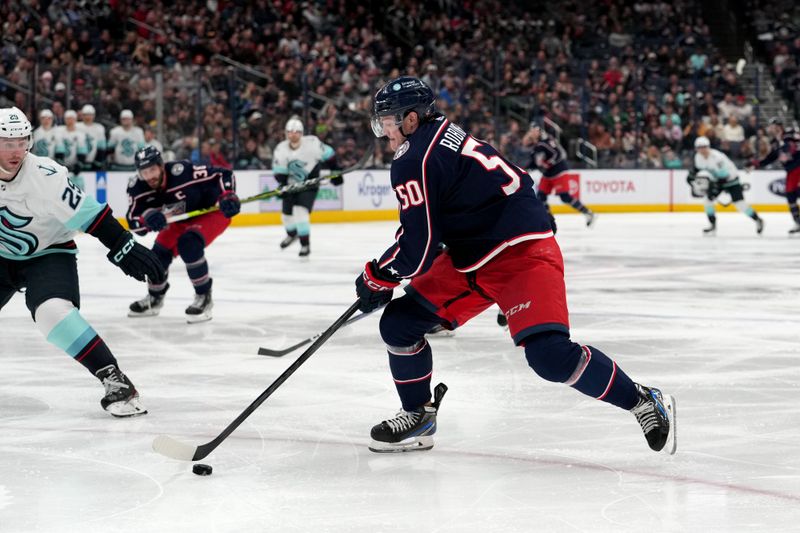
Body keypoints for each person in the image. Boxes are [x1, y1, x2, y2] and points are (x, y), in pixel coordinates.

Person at [355, 77, 676, 455]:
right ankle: (418, 415)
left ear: (410, 120)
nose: (384, 132)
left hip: (521, 254)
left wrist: (377, 276)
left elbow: (419, 246)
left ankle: (641, 399)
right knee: (399, 324)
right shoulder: (441, 132)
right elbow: (434, 219)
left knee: (550, 357)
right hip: (474, 253)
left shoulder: (413, 157)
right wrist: (394, 269)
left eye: (387, 122)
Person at [0, 107, 165, 417]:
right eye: (8, 143)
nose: (17, 151)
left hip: (49, 252)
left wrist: (122, 245)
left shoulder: (46, 176)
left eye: (22, 141)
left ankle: (114, 379)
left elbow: (92, 215)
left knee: (51, 312)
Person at [125, 146, 240, 323]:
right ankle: (155, 298)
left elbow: (223, 174)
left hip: (210, 212)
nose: (150, 177)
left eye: (153, 170)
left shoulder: (183, 172)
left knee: (190, 244)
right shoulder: (137, 188)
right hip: (178, 219)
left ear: (161, 166)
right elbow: (133, 220)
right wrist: (147, 218)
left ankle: (204, 297)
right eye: (144, 172)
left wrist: (228, 194)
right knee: (157, 255)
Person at [272, 117, 341, 258]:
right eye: (290, 132)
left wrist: (335, 171)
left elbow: (330, 155)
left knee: (300, 212)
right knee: (286, 217)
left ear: (302, 133)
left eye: (297, 132)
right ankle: (292, 235)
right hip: (292, 185)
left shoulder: (312, 143)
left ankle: (305, 245)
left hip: (309, 184)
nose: (293, 134)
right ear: (286, 133)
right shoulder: (281, 149)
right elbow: (280, 173)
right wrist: (283, 186)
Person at [525, 123, 596, 227]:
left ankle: (588, 213)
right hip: (548, 173)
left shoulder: (544, 142)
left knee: (564, 196)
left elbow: (557, 153)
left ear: (539, 131)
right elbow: (534, 162)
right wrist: (524, 169)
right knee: (541, 196)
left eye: (533, 130)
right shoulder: (536, 146)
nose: (531, 133)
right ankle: (547, 220)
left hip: (559, 171)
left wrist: (548, 163)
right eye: (531, 130)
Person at [691, 136, 763, 235]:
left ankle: (758, 220)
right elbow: (698, 169)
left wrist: (714, 184)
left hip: (731, 180)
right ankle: (712, 225)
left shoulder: (717, 157)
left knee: (739, 204)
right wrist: (691, 176)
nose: (702, 150)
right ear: (696, 148)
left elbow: (725, 174)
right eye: (699, 147)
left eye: (704, 147)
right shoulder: (698, 157)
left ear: (708, 147)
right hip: (718, 181)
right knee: (708, 202)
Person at [750, 120, 800, 234]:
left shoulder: (790, 135)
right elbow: (771, 157)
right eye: (772, 127)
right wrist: (756, 164)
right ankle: (798, 221)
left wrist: (787, 145)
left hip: (798, 167)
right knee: (790, 195)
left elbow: (791, 147)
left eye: (775, 126)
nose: (773, 129)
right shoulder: (775, 142)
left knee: (792, 193)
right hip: (791, 170)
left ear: (780, 126)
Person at [78, 104, 107, 171]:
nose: (88, 117)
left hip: (93, 161)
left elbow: (101, 148)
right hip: (78, 162)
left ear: (94, 115)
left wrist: (98, 162)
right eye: (85, 115)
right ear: (82, 115)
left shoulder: (99, 128)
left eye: (90, 115)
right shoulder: (77, 126)